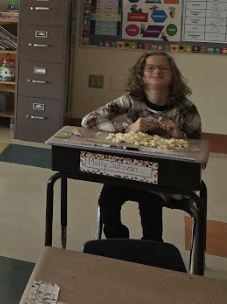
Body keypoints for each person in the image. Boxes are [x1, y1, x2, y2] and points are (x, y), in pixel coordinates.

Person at [81, 51, 201, 242]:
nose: (156, 72)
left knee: (150, 202)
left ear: (172, 75)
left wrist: (180, 136)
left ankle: (152, 248)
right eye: (150, 68)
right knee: (108, 198)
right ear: (142, 75)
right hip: (133, 171)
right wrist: (127, 128)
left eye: (163, 68)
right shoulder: (131, 100)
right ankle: (118, 241)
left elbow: (198, 154)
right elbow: (89, 120)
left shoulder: (185, 108)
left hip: (166, 179)